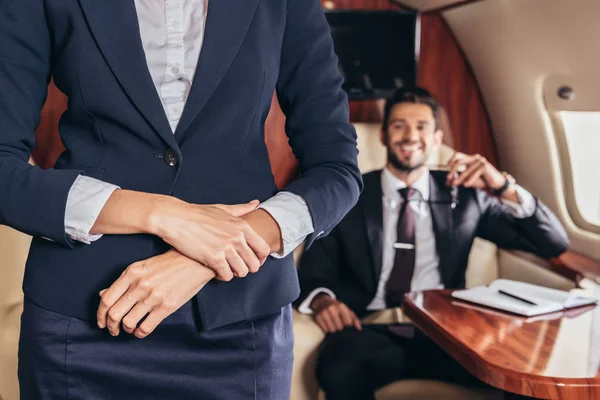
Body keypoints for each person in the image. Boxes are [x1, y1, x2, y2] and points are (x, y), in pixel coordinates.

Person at [0, 0, 362, 398]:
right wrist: (162, 215)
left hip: (240, 328)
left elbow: (337, 170)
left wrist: (212, 252)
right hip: (82, 321)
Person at [296, 87, 569, 400]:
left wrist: (504, 186)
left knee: (524, 375)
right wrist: (323, 300)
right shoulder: (350, 196)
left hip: (451, 335)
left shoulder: (467, 197)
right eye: (399, 126)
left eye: (422, 127)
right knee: (339, 368)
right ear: (384, 136)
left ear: (437, 139)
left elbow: (553, 243)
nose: (411, 136)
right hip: (371, 330)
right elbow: (315, 269)